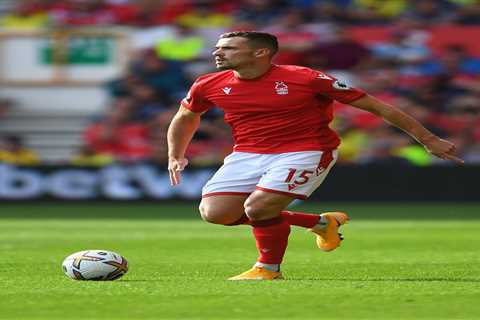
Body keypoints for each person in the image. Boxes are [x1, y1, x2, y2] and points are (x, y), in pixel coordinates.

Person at [167, 31, 463, 281]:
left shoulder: (305, 78)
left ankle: (267, 269)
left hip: (306, 149)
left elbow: (377, 107)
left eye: (229, 48)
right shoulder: (208, 83)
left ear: (261, 53)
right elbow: (185, 116)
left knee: (258, 208)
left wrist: (428, 138)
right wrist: (175, 154)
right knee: (216, 214)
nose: (218, 53)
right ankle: (320, 223)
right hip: (247, 153)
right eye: (218, 48)